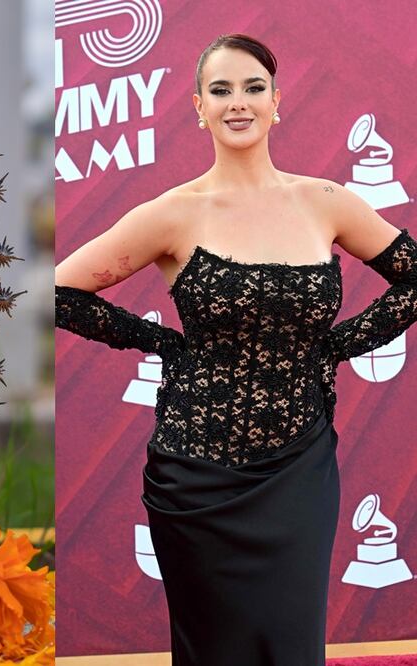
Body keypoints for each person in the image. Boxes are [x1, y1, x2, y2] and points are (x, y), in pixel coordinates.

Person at [54, 34, 417, 665]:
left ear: (278, 101)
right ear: (199, 107)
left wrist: (337, 346)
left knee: (291, 647)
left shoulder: (325, 201)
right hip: (197, 477)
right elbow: (59, 292)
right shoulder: (172, 213)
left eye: (253, 87)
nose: (238, 102)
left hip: (299, 469)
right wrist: (161, 342)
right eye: (220, 90)